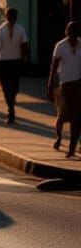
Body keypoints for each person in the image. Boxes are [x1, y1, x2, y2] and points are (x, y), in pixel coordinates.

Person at [0, 7, 29, 124]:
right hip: (4, 62)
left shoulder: (20, 29)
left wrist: (23, 57)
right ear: (6, 17)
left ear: (15, 17)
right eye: (9, 16)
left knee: (14, 87)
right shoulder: (1, 30)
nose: (11, 18)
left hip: (15, 61)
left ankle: (11, 103)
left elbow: (24, 44)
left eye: (12, 16)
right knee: (6, 86)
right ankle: (11, 108)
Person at [48, 21, 80, 157]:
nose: (72, 34)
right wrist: (49, 85)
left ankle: (72, 146)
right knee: (63, 116)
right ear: (66, 32)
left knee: (76, 117)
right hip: (65, 86)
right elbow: (53, 67)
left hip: (79, 85)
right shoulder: (60, 46)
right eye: (69, 31)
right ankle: (60, 138)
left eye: (75, 32)